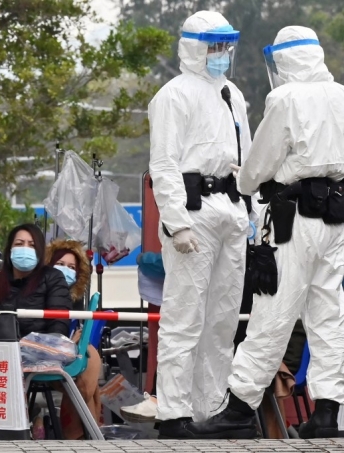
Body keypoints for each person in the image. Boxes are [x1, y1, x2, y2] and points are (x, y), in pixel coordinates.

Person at [188, 26, 344, 439]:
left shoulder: (286, 98)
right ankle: (328, 412)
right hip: (337, 217)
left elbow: (260, 162)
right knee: (329, 314)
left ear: (286, 60)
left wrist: (244, 183)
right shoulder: (342, 95)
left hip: (294, 220)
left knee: (272, 310)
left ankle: (239, 407)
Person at [148, 10, 253, 438]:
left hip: (231, 208)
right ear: (193, 46)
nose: (221, 54)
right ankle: (173, 412)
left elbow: (248, 159)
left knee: (223, 319)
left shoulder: (234, 95)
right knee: (184, 315)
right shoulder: (173, 95)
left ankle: (210, 411)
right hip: (194, 211)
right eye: (213, 46)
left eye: (225, 45)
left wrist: (253, 213)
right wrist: (176, 222)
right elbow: (164, 162)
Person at [0, 224, 73, 426]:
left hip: (39, 354)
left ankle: (24, 420)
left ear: (40, 251)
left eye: (31, 245)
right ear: (10, 250)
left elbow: (59, 324)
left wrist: (37, 351)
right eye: (19, 243)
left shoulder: (53, 278)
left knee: (14, 381)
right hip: (0, 353)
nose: (25, 249)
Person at [45, 239, 101, 440]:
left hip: (67, 356)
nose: (65, 271)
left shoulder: (75, 301)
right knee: (89, 367)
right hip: (44, 355)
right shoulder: (37, 295)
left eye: (71, 267)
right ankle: (82, 435)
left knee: (90, 360)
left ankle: (82, 434)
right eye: (60, 265)